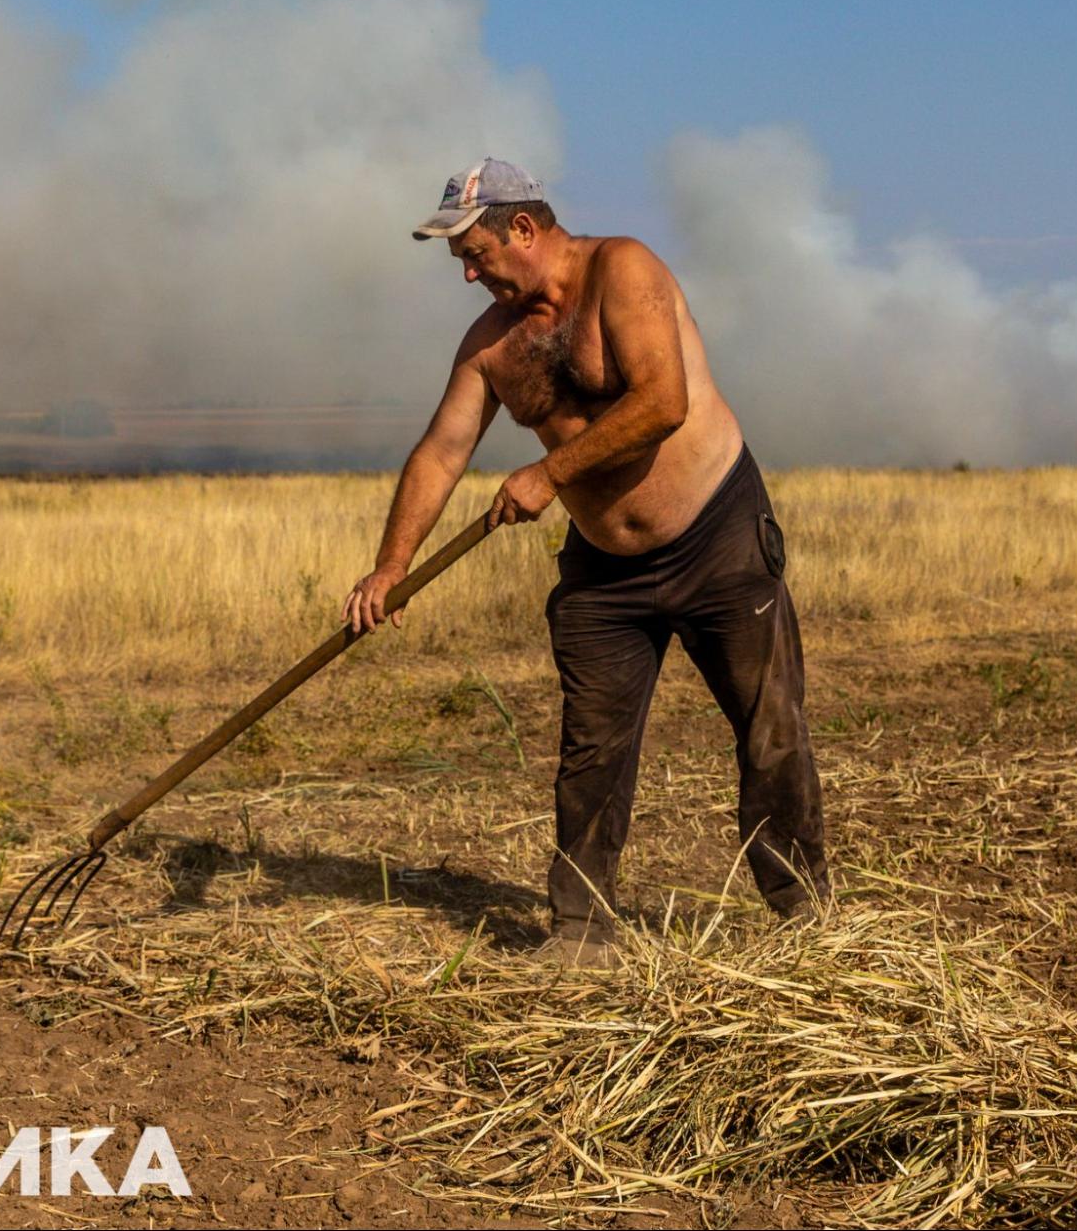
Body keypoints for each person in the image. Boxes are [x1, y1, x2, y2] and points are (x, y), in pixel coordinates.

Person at [345, 158, 828, 967]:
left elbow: (661, 401)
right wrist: (389, 567)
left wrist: (547, 473)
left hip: (717, 539)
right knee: (591, 748)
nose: (467, 274)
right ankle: (581, 930)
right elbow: (441, 451)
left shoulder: (624, 269)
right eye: (458, 261)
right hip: (605, 569)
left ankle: (803, 917)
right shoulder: (490, 345)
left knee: (769, 730)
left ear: (524, 228)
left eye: (476, 253)